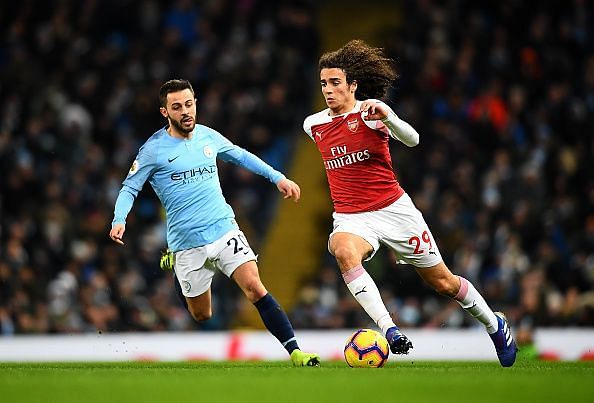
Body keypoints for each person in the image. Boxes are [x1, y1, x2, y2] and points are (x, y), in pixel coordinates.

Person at [302, 40, 517, 367]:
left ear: (352, 85)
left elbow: (413, 139)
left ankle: (494, 324)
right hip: (351, 216)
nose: (328, 90)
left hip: (394, 210)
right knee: (344, 251)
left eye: (335, 82)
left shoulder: (371, 112)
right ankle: (389, 329)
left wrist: (388, 118)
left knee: (443, 282)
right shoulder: (313, 124)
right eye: (323, 84)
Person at [109, 79, 320, 367]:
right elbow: (130, 187)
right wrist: (119, 219)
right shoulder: (153, 150)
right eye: (177, 107)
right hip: (186, 243)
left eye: (189, 104)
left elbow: (241, 156)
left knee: (255, 287)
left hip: (224, 228)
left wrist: (278, 177)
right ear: (164, 112)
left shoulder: (208, 136)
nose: (185, 111)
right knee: (202, 314)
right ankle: (177, 272)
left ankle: (296, 351)